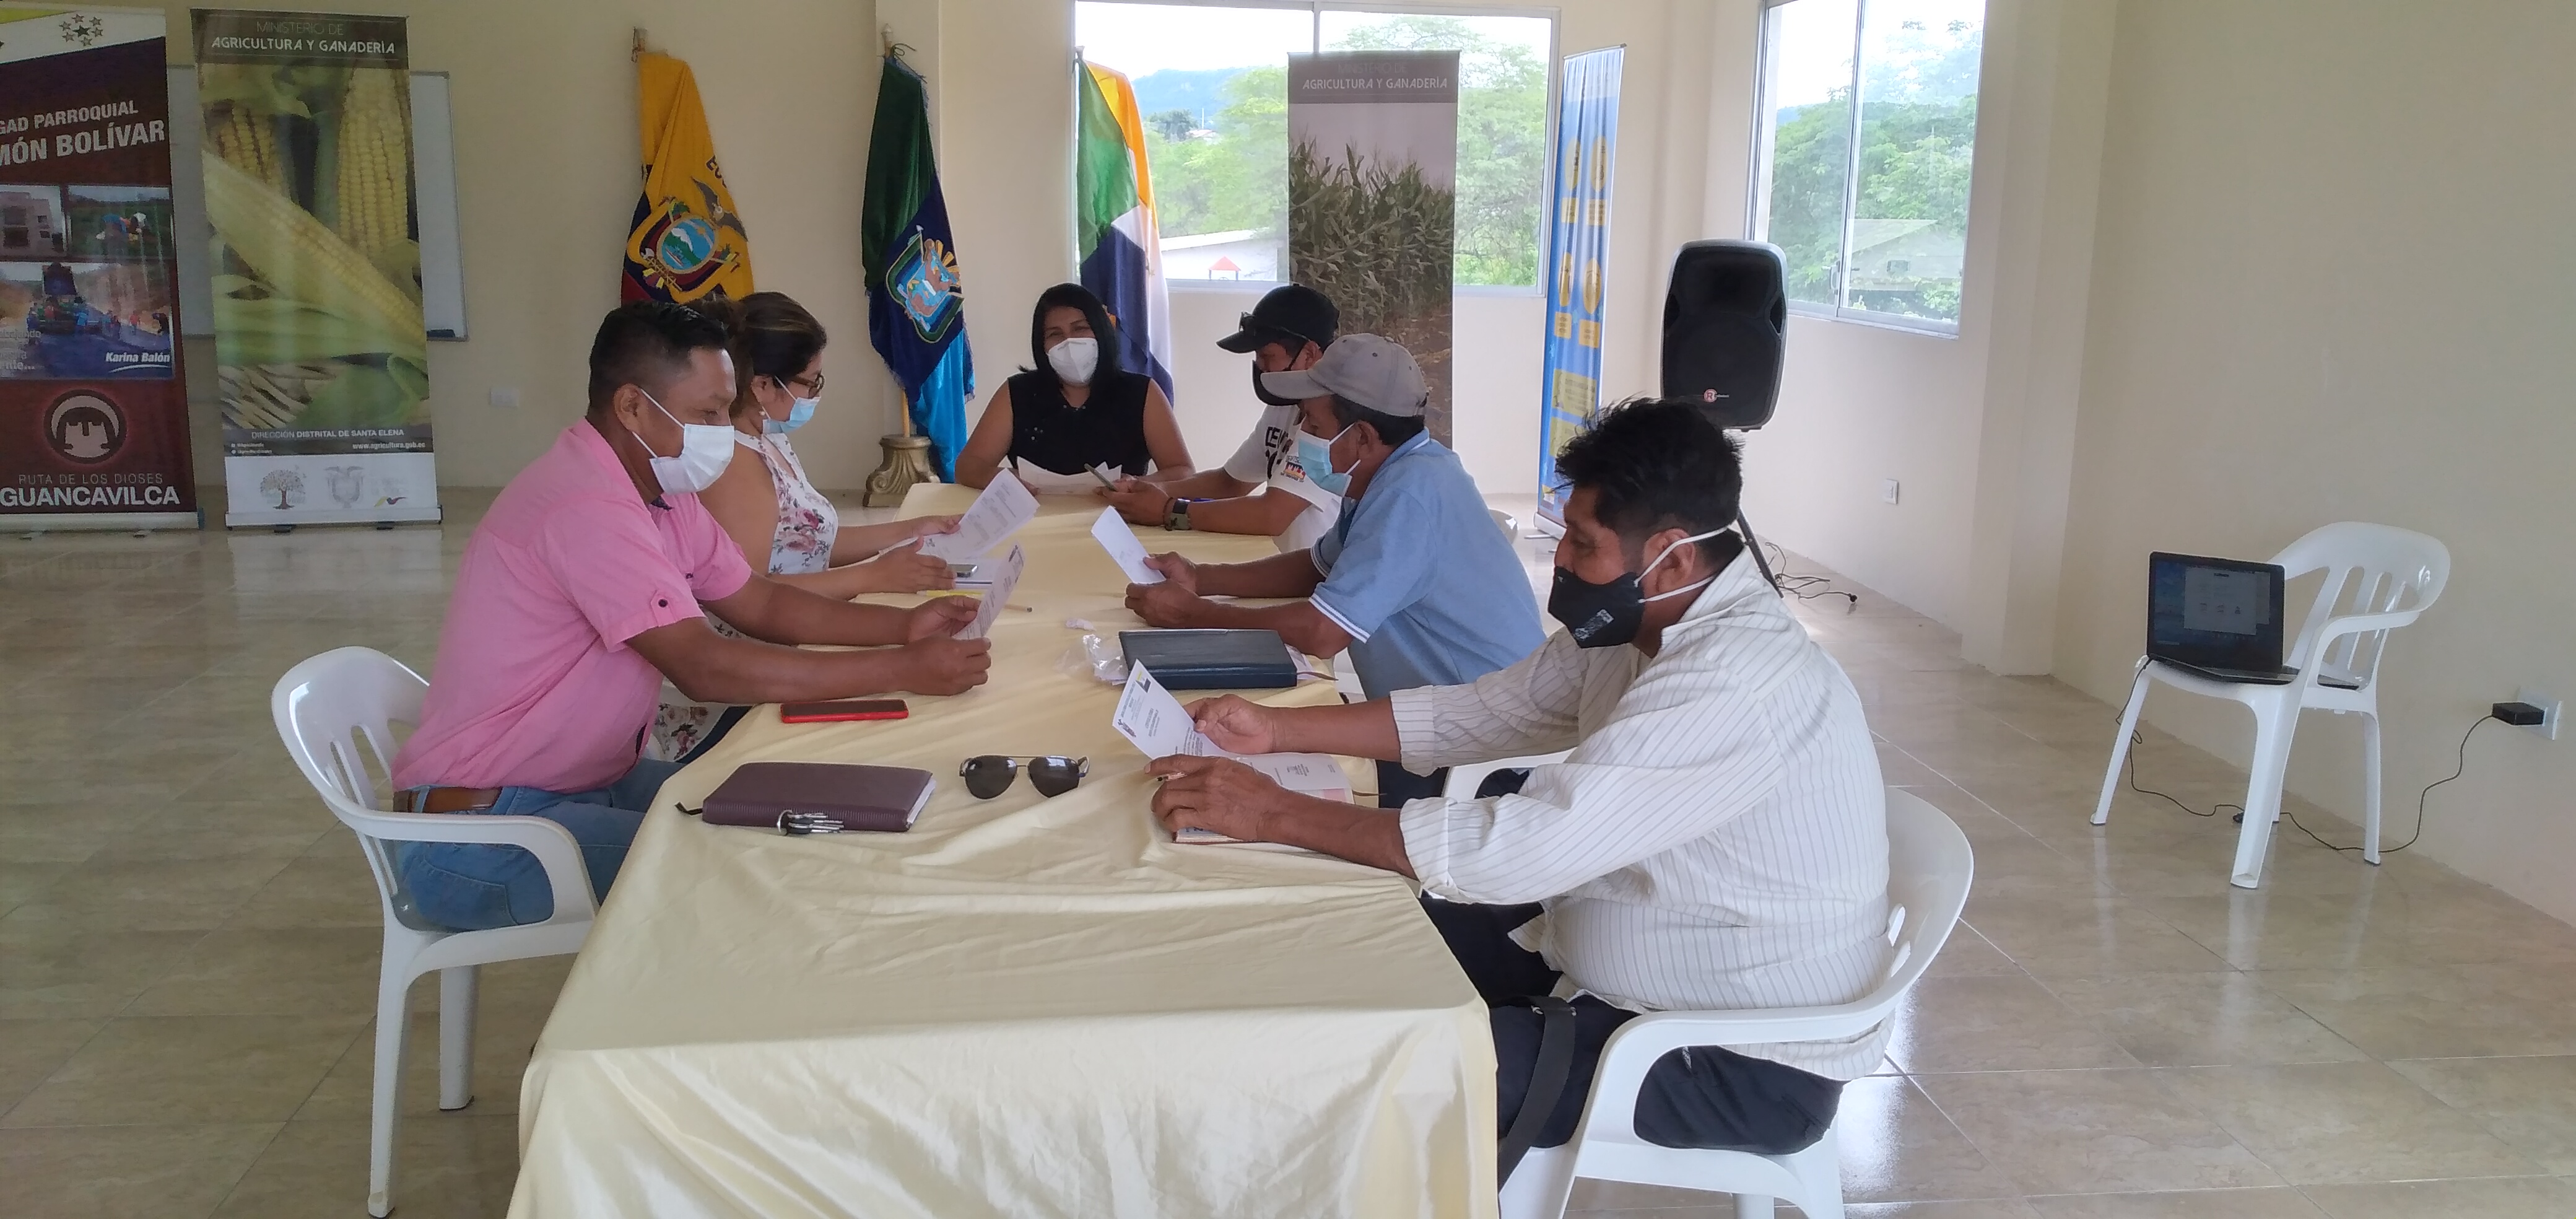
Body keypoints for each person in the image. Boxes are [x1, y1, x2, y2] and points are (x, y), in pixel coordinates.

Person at [1145, 400, 1891, 1181]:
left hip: (1734, 1056)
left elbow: (1515, 852)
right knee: (1359, 936)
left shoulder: (1732, 682)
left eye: (1583, 544)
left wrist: (1271, 810)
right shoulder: (1640, 624)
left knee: (1391, 1069)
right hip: (1614, 960)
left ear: (1670, 558)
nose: (1559, 559)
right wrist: (1276, 732)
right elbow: (1487, 711)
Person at [387, 301, 993, 932]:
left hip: (578, 785)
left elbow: (758, 600)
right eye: (707, 414)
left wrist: (901, 628)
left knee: (802, 821)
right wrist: (901, 669)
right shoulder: (585, 505)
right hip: (483, 832)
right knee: (754, 873)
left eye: (725, 411)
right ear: (632, 406)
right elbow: (703, 667)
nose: (722, 432)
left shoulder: (658, 490)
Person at [1122, 334, 1543, 805]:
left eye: (1314, 423)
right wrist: (1202, 579)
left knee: (1258, 789)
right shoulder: (1387, 474)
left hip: (1481, 757)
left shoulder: (1409, 494)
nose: (1303, 433)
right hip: (1429, 721)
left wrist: (1195, 615)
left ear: (1362, 436)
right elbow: (1316, 567)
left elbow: (1322, 632)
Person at [694, 292, 959, 599]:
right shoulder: (735, 469)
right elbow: (748, 596)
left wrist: (911, 530)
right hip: (779, 626)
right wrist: (872, 576)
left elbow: (812, 543)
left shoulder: (767, 437)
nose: (816, 395)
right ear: (762, 385)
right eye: (812, 382)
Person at [1098, 282, 1341, 549]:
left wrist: (1169, 510)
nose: (1260, 367)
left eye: (1267, 355)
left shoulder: (1332, 421)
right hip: (1291, 565)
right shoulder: (1283, 407)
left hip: (1329, 572)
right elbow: (1230, 482)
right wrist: (1147, 488)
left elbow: (1272, 515)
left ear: (1310, 353)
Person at [954, 282, 1193, 491]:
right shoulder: (1017, 392)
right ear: (1042, 345)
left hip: (1120, 517)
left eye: (1080, 328)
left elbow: (1183, 471)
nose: (1069, 341)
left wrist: (1137, 484)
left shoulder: (1142, 391)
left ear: (1101, 332)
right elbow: (968, 467)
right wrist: (1005, 479)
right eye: (1055, 334)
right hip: (1036, 519)